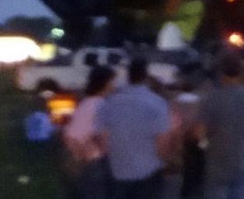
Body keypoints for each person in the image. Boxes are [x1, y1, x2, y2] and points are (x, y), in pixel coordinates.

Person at [195, 49, 244, 199]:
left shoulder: (213, 98)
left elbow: (199, 133)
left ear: (220, 71)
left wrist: (205, 147)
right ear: (241, 72)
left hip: (217, 165)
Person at [95, 57, 172, 199]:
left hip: (117, 170)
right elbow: (162, 140)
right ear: (145, 77)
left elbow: (102, 139)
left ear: (128, 76)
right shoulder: (157, 103)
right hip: (148, 171)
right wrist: (164, 161)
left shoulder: (109, 103)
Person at [64, 65, 115, 199]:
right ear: (105, 83)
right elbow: (103, 136)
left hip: (80, 161)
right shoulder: (101, 105)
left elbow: (70, 134)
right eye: (112, 81)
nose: (114, 85)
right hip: (95, 162)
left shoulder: (85, 103)